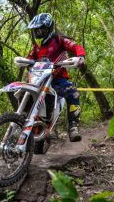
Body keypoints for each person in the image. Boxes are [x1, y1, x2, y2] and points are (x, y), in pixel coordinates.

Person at [26, 13, 86, 142]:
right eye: (36, 30)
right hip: (40, 79)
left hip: (58, 79)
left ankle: (73, 127)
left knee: (73, 92)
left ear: (48, 28)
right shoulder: (37, 47)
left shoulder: (59, 40)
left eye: (41, 29)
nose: (38, 32)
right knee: (24, 92)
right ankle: (21, 121)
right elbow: (30, 59)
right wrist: (25, 62)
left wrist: (80, 56)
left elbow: (75, 46)